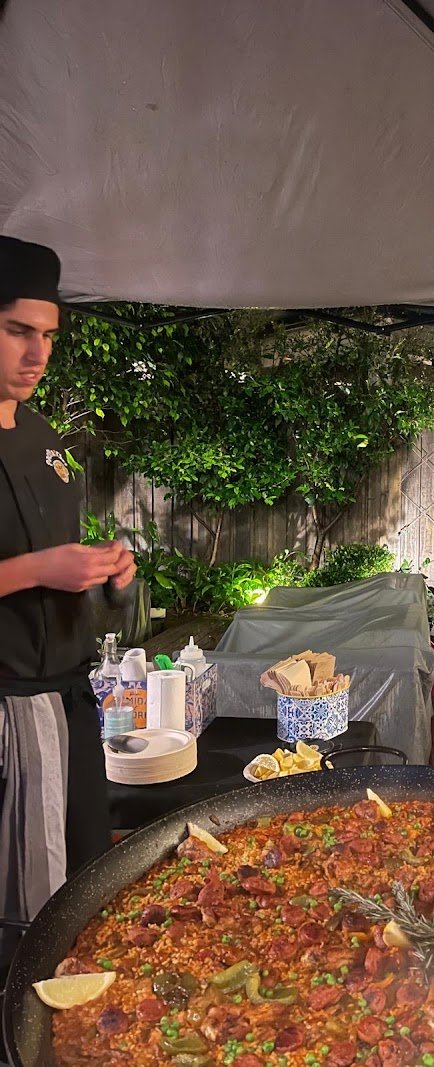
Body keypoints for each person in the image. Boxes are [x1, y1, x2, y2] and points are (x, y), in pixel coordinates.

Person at [0, 235, 136, 952]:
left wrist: (110, 573)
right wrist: (36, 569)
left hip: (72, 702)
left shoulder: (47, 440)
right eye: (17, 331)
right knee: (33, 913)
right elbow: (39, 567)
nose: (38, 354)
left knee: (86, 877)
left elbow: (63, 563)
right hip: (12, 710)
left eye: (49, 336)